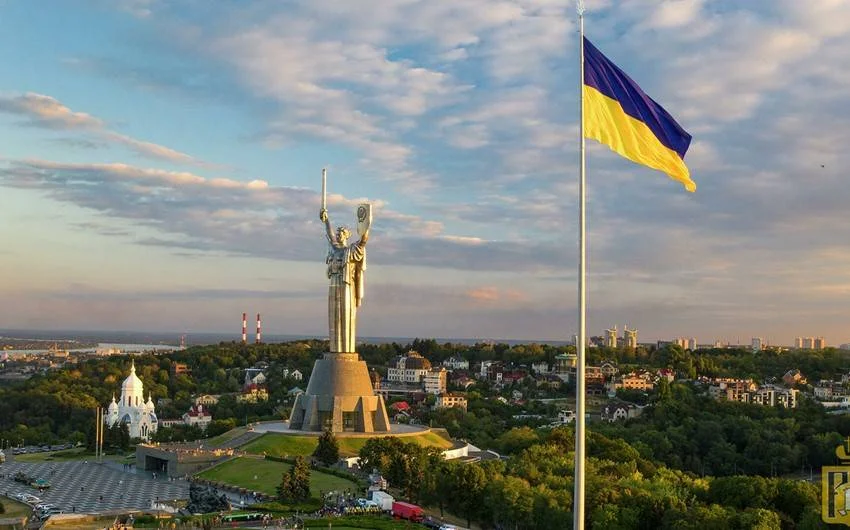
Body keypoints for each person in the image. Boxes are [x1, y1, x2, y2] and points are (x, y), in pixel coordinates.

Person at [319, 206, 369, 353]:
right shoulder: (334, 249)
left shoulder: (351, 251)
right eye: (338, 233)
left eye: (342, 233)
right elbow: (329, 233)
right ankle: (335, 349)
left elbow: (363, 242)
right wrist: (326, 220)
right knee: (334, 316)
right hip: (333, 284)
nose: (339, 235)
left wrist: (365, 226)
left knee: (345, 315)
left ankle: (346, 350)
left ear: (347, 236)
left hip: (346, 285)